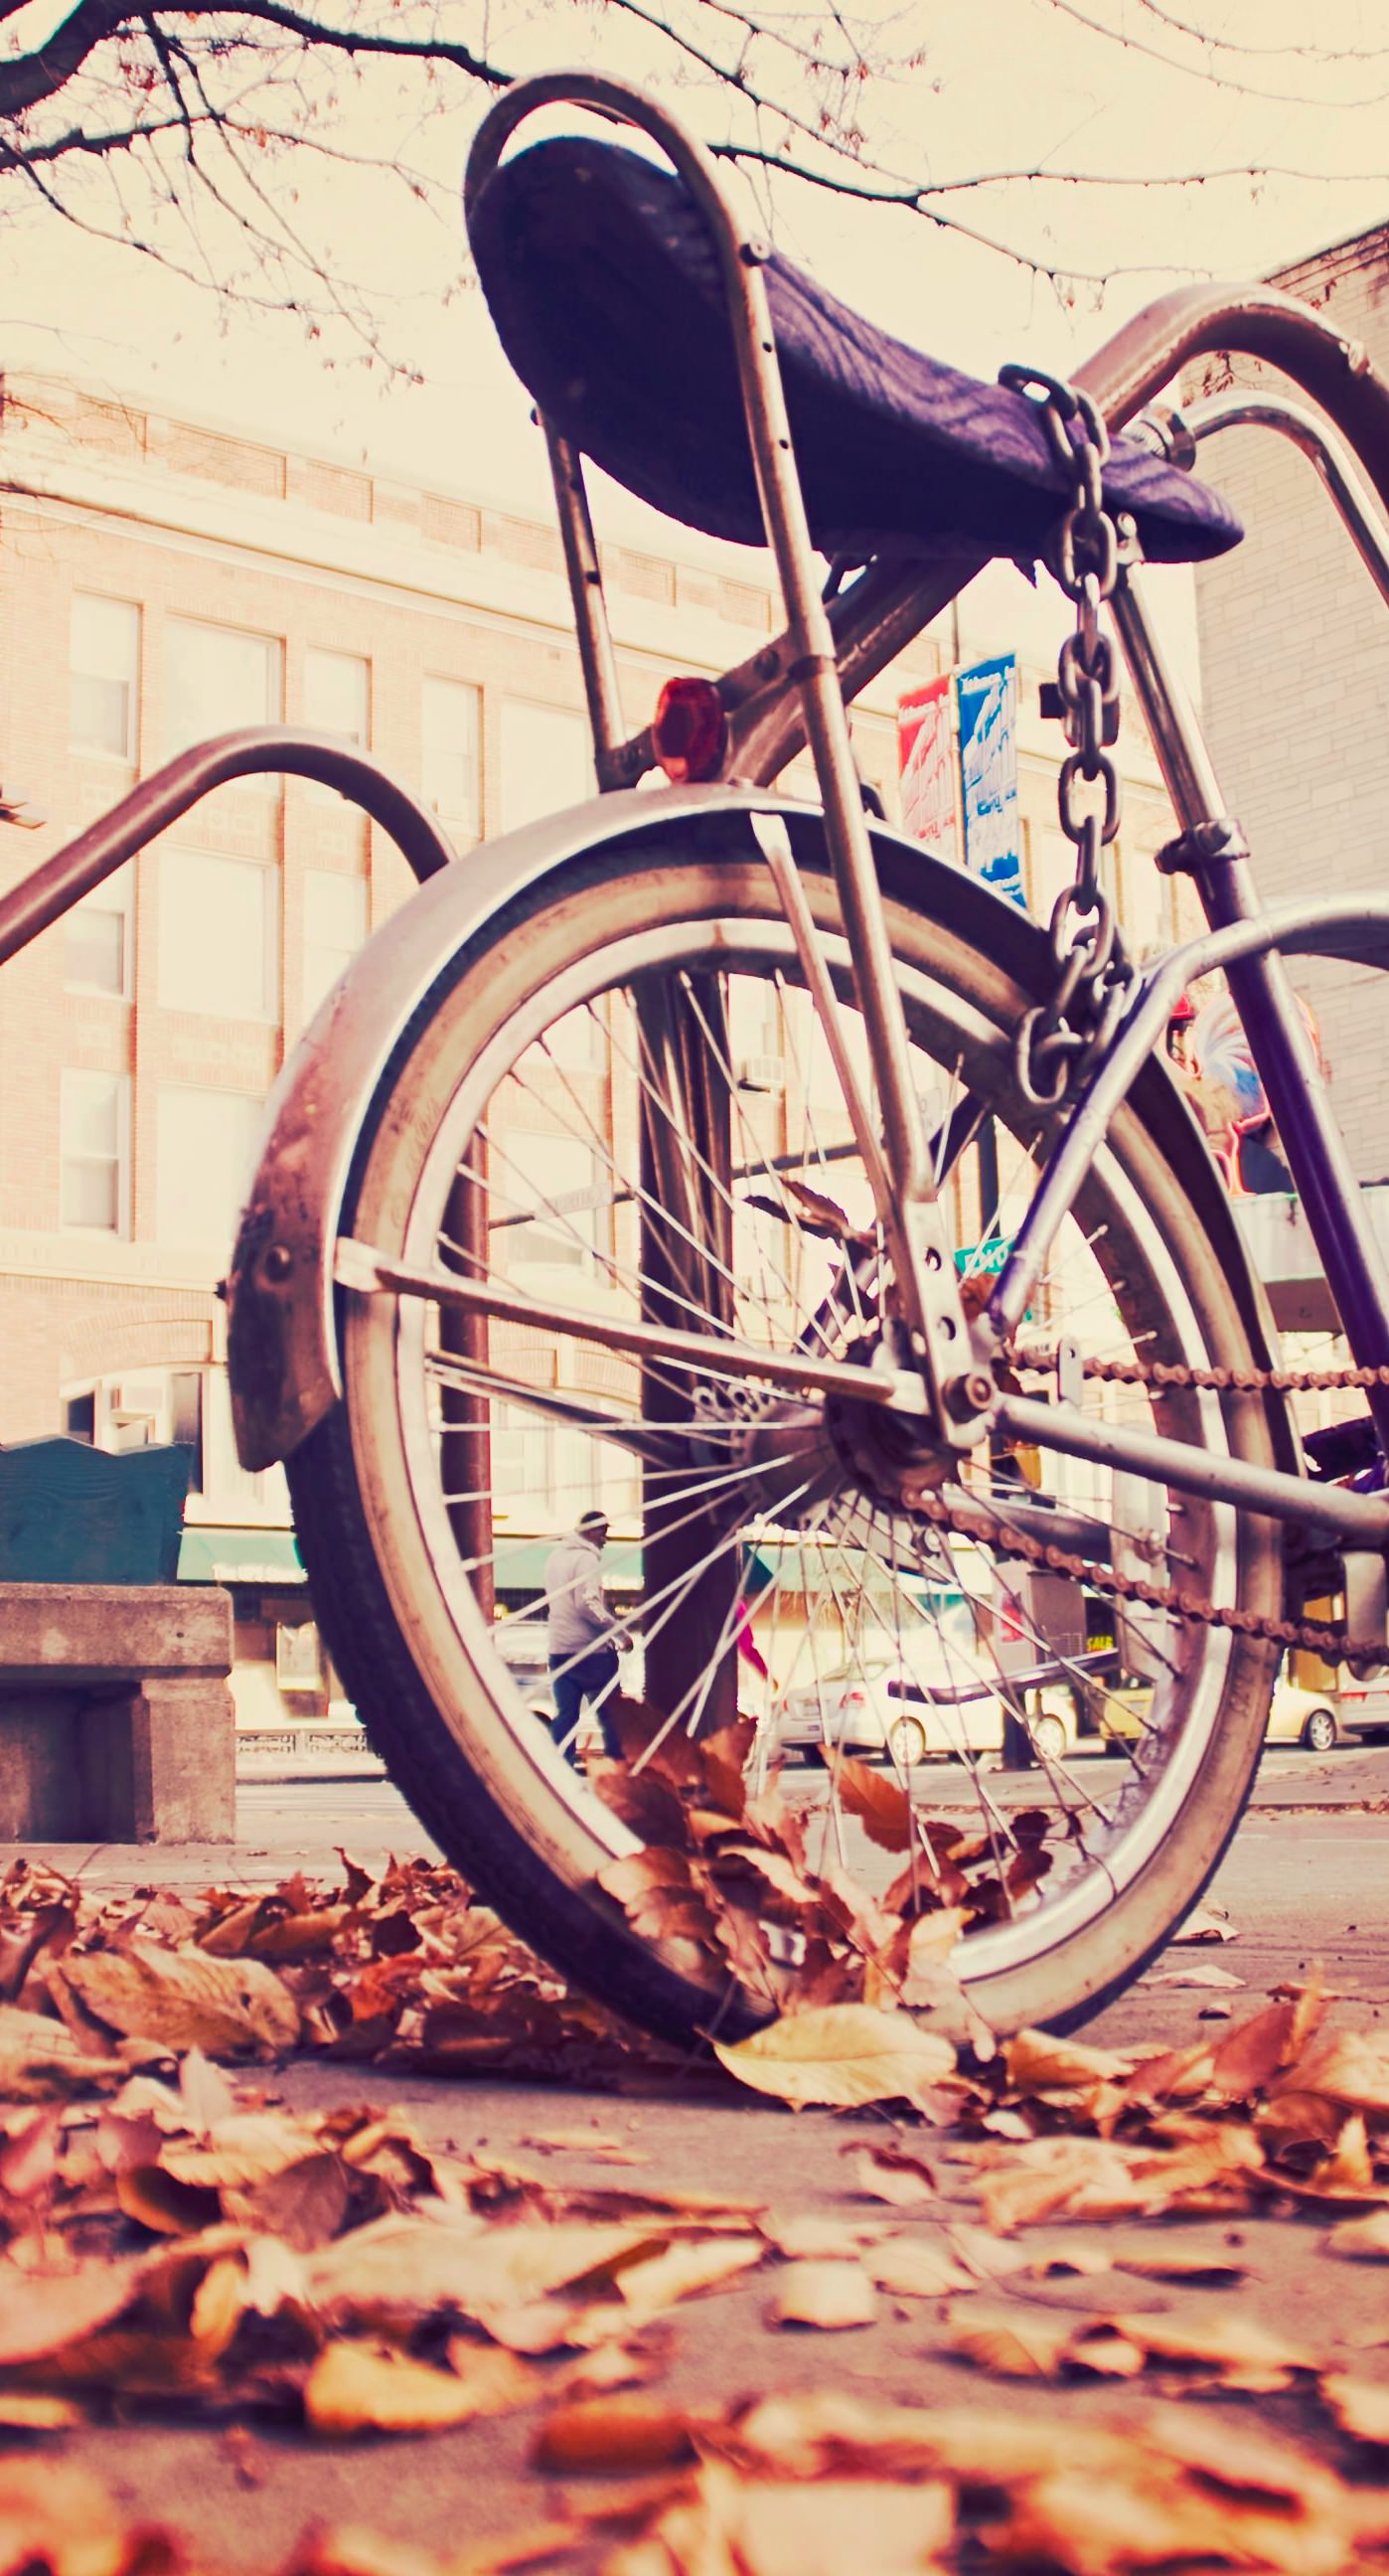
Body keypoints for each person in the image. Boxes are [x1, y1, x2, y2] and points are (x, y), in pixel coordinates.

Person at [543, 1509, 627, 1764]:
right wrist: (619, 1632)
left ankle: (560, 1768)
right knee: (612, 1715)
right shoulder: (587, 1559)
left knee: (566, 1715)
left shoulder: (554, 1557)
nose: (606, 1539)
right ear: (591, 1531)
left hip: (559, 1649)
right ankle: (616, 1768)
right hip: (590, 1652)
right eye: (603, 1532)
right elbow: (586, 1603)